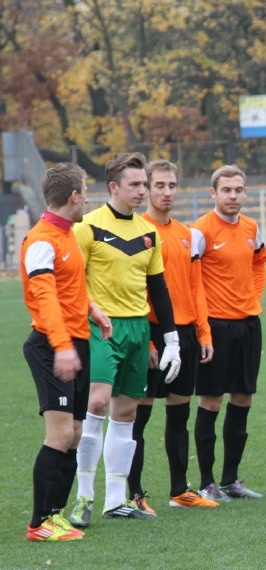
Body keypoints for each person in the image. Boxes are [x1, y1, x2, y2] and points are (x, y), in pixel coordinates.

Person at [70, 152, 182, 525]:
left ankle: (115, 500)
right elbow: (72, 281)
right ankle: (84, 497)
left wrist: (172, 340)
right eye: (135, 184)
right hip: (101, 326)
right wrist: (88, 310)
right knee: (98, 402)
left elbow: (159, 289)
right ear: (114, 186)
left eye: (144, 184)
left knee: (128, 413)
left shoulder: (148, 232)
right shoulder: (87, 226)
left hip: (138, 328)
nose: (142, 190)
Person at [21, 163, 112, 541]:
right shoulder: (42, 240)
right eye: (86, 190)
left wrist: (91, 307)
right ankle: (40, 522)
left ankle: (56, 515)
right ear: (74, 196)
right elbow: (44, 300)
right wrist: (62, 347)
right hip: (51, 345)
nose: (89, 197)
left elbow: (67, 286)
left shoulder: (69, 233)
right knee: (59, 435)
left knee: (75, 432)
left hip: (76, 341)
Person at [127, 160, 219, 511]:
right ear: (147, 189)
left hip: (185, 334)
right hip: (151, 331)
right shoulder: (138, 231)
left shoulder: (187, 233)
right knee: (140, 416)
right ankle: (134, 494)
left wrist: (204, 332)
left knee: (180, 413)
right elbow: (136, 289)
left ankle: (180, 490)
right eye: (160, 185)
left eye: (172, 185)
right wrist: (149, 342)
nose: (167, 192)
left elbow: (196, 288)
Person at [192, 165, 266, 501]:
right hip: (215, 326)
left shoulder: (252, 227)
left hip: (249, 324)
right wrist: (202, 329)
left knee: (243, 398)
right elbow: (190, 281)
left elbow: (259, 261)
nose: (233, 196)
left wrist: (254, 297)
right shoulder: (200, 231)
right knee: (212, 400)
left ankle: (230, 480)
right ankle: (206, 482)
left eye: (239, 190)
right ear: (213, 193)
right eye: (227, 190)